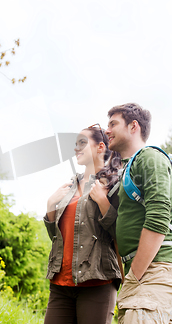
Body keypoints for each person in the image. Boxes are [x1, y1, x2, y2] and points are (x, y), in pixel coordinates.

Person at [105, 103, 172, 324]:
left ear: (133, 126)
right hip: (144, 273)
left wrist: (133, 277)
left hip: (156, 270)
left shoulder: (150, 158)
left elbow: (159, 218)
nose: (107, 130)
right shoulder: (129, 168)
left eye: (113, 123)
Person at [43, 125, 122, 324]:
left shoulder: (114, 184)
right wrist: (50, 206)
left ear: (100, 147)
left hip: (97, 282)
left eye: (82, 143)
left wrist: (104, 204)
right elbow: (56, 236)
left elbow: (120, 235)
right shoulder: (68, 188)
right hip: (61, 283)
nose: (76, 148)